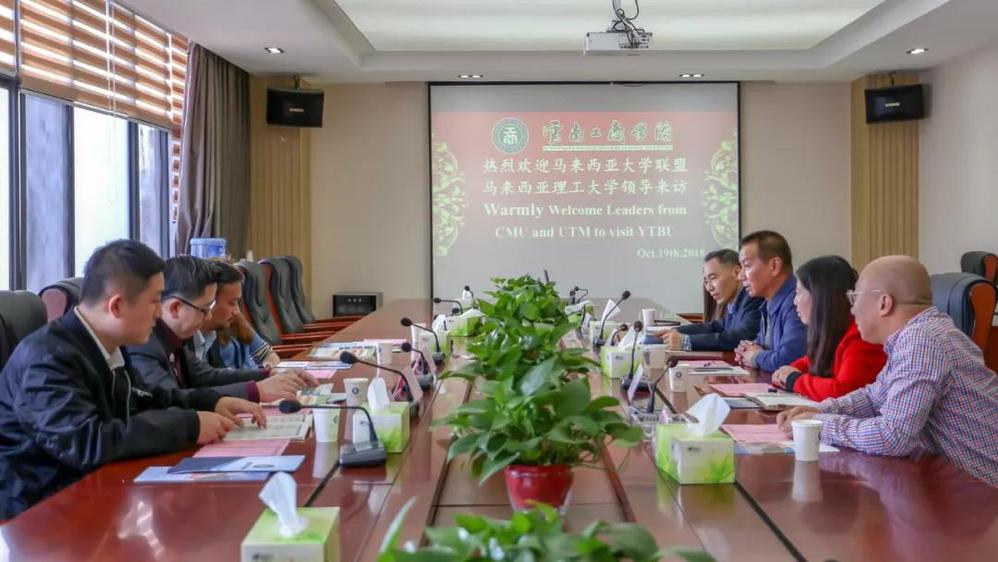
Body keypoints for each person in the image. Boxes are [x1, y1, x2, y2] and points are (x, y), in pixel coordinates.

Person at [0, 240, 265, 518]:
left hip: (89, 496)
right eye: (154, 301)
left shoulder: (105, 344)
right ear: (116, 306)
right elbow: (88, 443)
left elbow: (143, 398)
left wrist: (213, 402)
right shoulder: (47, 358)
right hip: (37, 515)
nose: (160, 313)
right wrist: (189, 425)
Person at [778, 255, 998, 486]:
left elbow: (893, 436)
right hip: (961, 485)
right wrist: (819, 409)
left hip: (986, 493)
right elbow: (874, 397)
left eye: (855, 297)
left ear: (884, 303)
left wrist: (820, 424)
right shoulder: (917, 335)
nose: (852, 309)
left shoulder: (921, 340)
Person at [127, 256, 313, 403]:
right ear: (175, 308)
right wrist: (255, 391)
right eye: (204, 309)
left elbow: (206, 376)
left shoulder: (175, 336)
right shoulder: (144, 343)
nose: (208, 317)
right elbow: (170, 401)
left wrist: (268, 374)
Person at [771, 256, 886, 400]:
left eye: (798, 293)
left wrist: (795, 380)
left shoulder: (861, 336)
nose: (795, 302)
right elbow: (812, 360)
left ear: (820, 296)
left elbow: (845, 392)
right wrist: (789, 371)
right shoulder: (833, 330)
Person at [654, 249, 763, 351]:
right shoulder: (736, 302)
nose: (709, 288)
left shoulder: (752, 298)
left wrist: (685, 342)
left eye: (713, 278)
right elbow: (716, 327)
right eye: (706, 281)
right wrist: (675, 331)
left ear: (736, 273)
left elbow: (742, 336)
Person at [733, 230, 807, 372]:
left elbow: (789, 361)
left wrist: (755, 357)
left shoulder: (797, 301)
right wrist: (746, 351)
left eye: (747, 266)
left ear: (774, 266)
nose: (741, 276)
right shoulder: (768, 301)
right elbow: (763, 348)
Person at [194, 260, 280, 370]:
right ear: (211, 301)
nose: (237, 311)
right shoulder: (198, 339)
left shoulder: (236, 319)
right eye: (232, 303)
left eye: (237, 302)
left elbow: (266, 354)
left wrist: (270, 372)